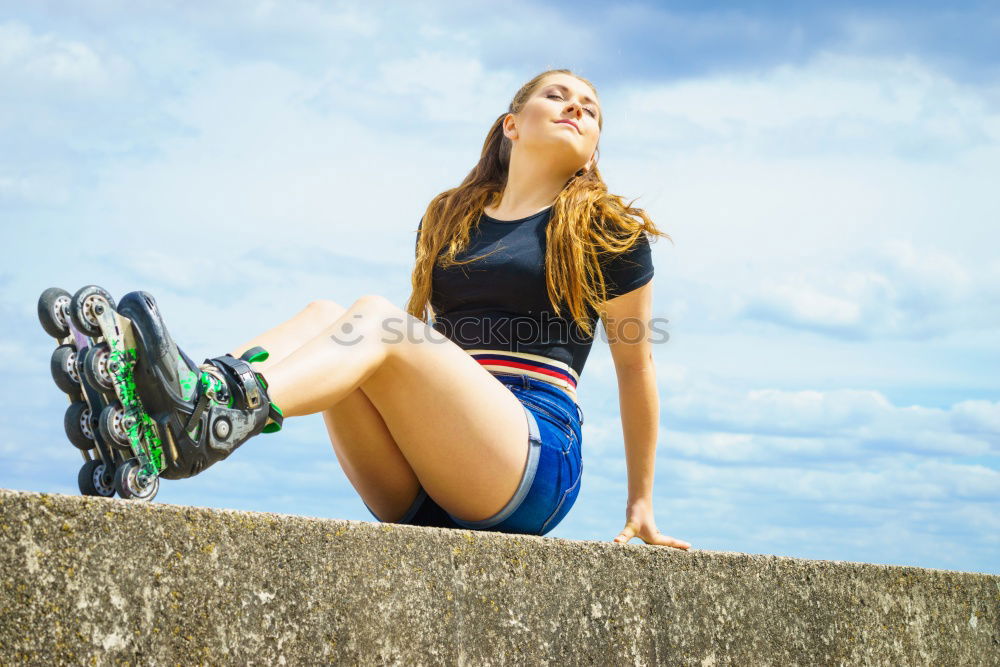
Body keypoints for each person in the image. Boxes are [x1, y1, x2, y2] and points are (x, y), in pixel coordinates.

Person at [129, 68, 690, 549]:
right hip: (425, 469)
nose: (576, 107)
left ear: (593, 148)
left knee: (373, 318)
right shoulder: (449, 217)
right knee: (327, 316)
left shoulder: (608, 231)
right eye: (557, 95)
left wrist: (640, 503)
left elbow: (635, 367)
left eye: (590, 111)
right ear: (511, 125)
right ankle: (189, 400)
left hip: (530, 457)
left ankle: (217, 411)